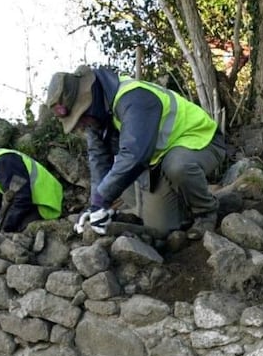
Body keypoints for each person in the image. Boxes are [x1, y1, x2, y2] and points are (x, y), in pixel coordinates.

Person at [46, 65, 226, 239]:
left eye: (79, 117)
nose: (80, 124)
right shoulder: (97, 118)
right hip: (160, 161)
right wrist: (95, 205)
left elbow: (135, 155)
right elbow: (99, 161)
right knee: (160, 228)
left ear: (88, 101)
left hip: (200, 140)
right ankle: (187, 204)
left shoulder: (133, 98)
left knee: (177, 166)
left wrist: (103, 198)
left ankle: (205, 212)